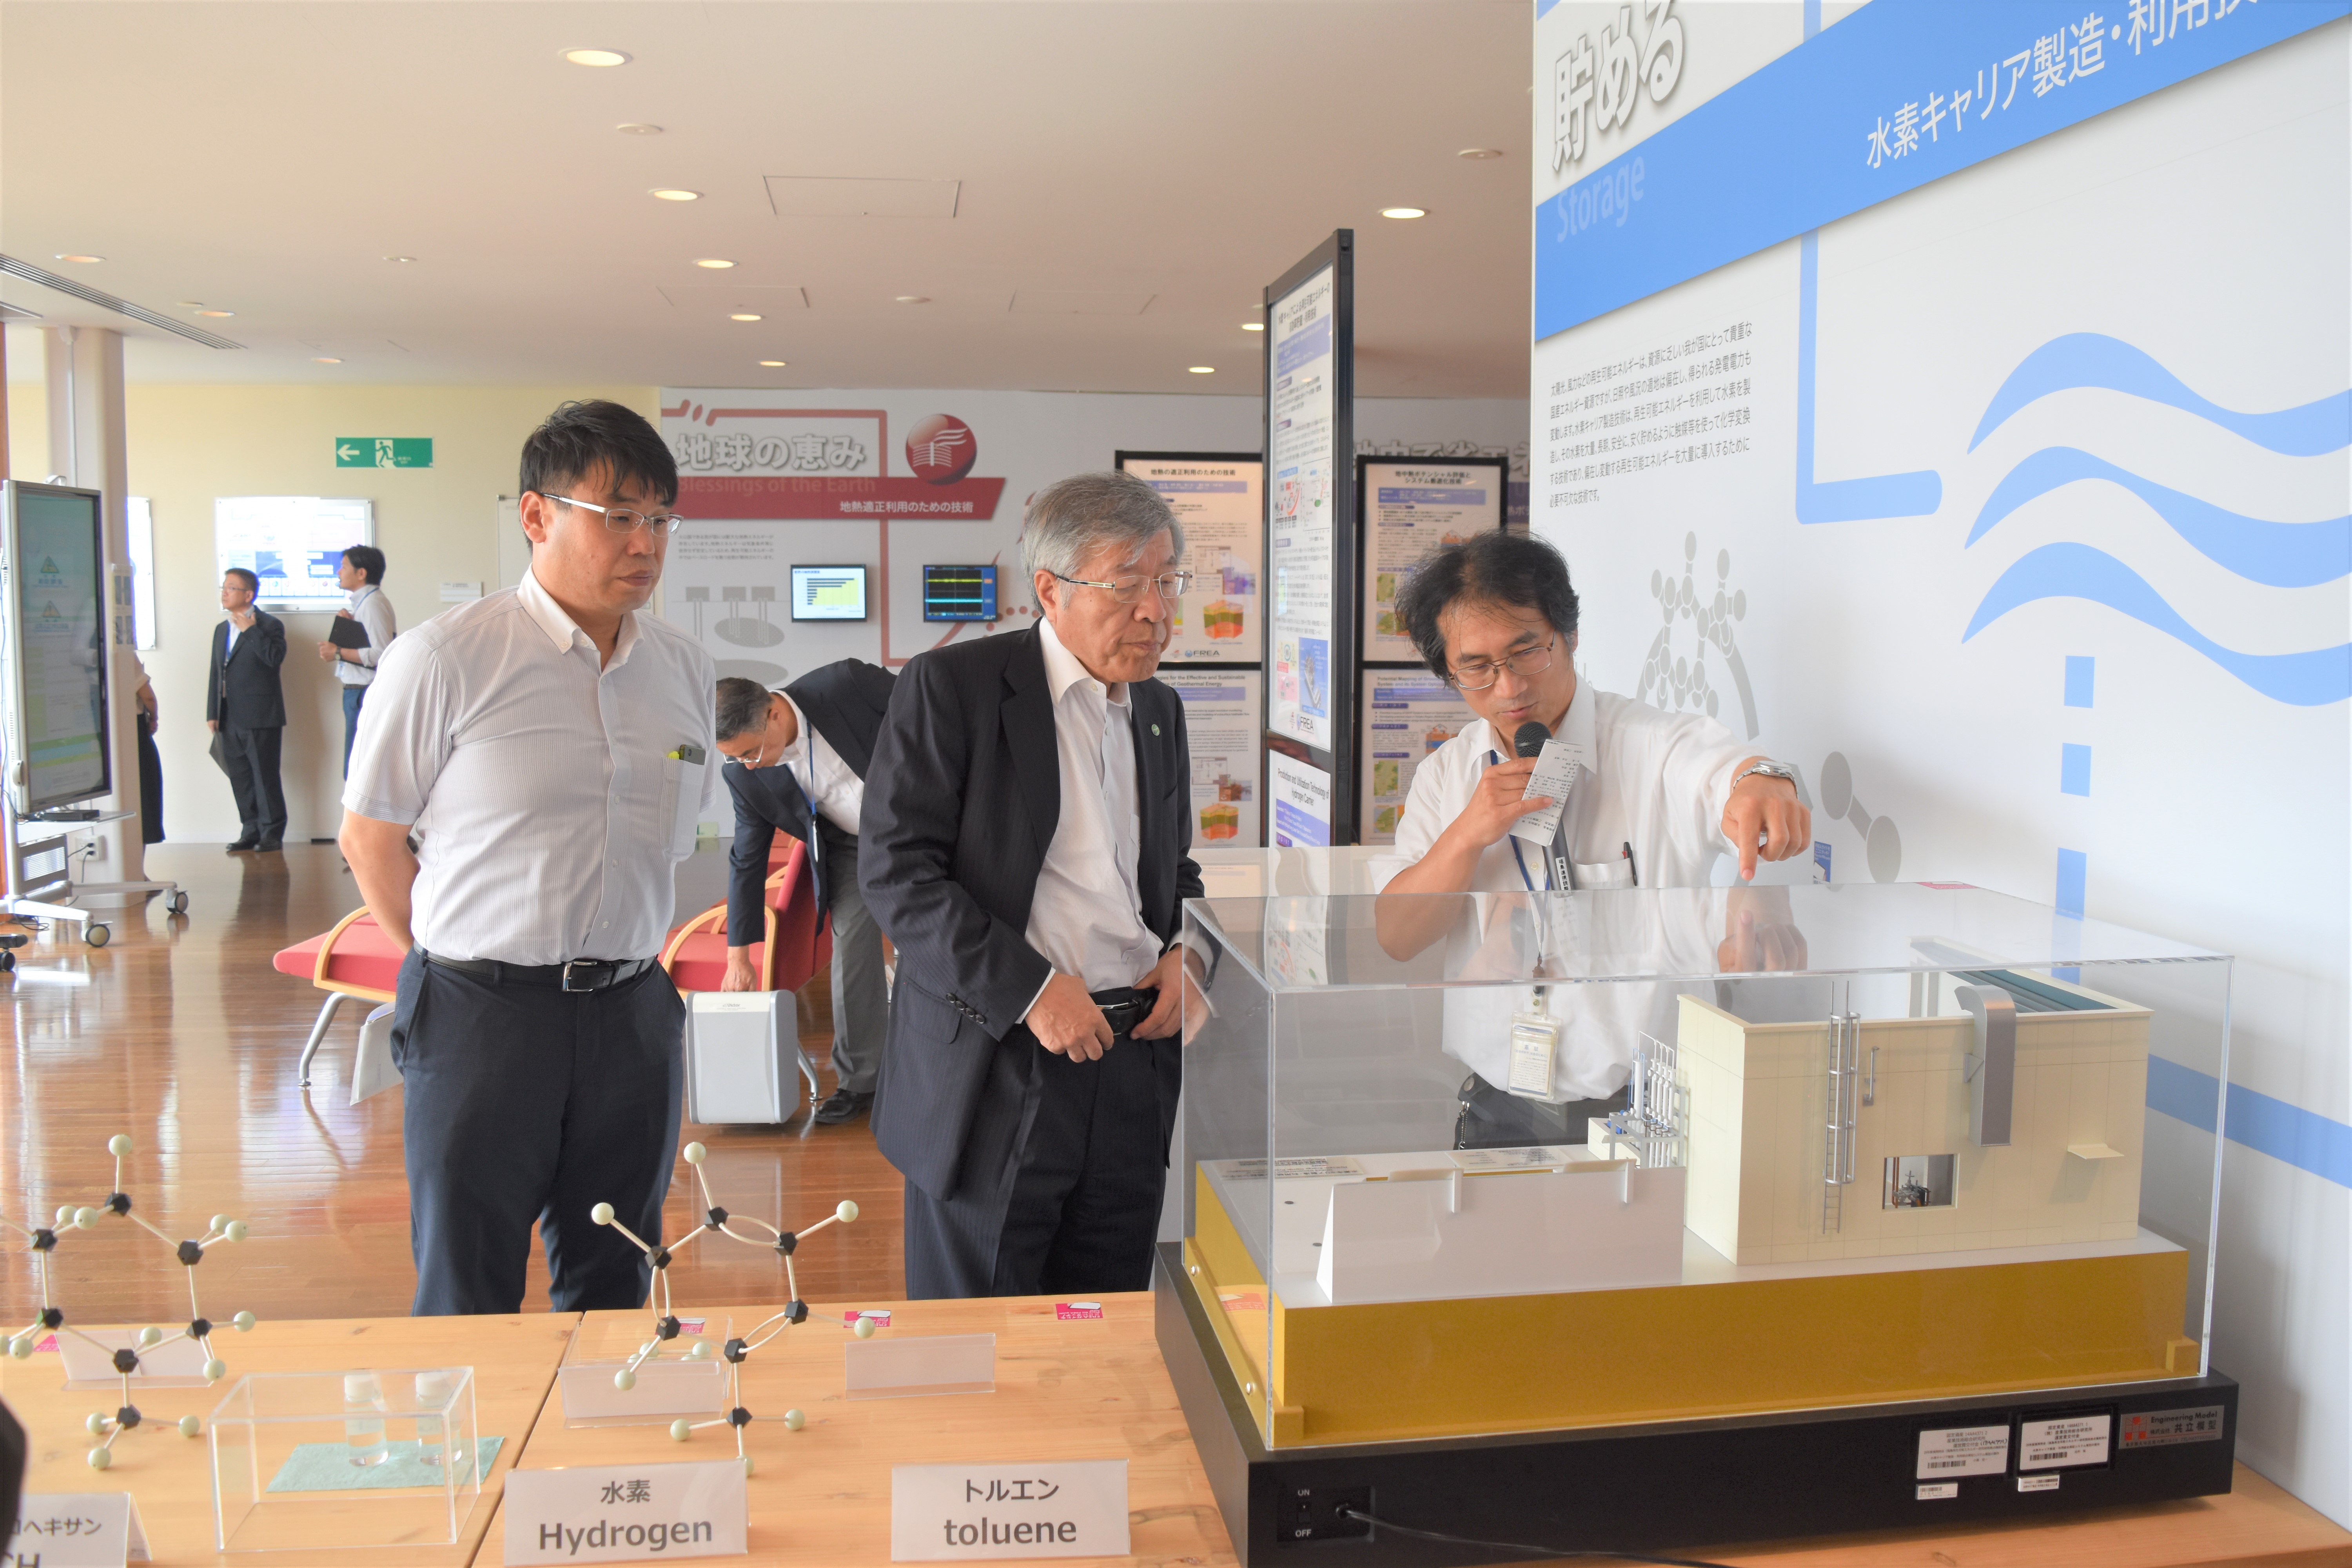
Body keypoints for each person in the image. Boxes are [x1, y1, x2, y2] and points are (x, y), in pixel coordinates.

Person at [339, 399, 718, 1317]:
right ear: (538, 515)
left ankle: (598, 1460)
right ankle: (482, 1462)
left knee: (616, 1272)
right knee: (469, 1276)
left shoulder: (682, 667)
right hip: (483, 1013)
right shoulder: (444, 657)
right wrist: (448, 962)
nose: (646, 543)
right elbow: (371, 836)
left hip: (633, 1012)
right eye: (620, 516)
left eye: (661, 519)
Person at [860, 470, 1205, 1299]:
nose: (1156, 611)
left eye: (1168, 582)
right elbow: (898, 874)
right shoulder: (956, 689)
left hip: (1133, 1056)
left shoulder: (1161, 710)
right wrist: (1032, 989)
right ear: (1050, 589)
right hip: (1002, 1056)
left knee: (1109, 1312)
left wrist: (1188, 952)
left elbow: (1173, 873)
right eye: (1128, 586)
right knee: (981, 1324)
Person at [1371, 531, 1811, 1149]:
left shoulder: (1651, 747)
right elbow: (1397, 936)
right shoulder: (1446, 776)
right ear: (1450, 670)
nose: (1508, 687)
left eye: (1527, 651)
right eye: (1476, 667)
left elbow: (1727, 773)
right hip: (1500, 1109)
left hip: (1651, 1114)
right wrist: (1467, 834)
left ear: (1569, 635)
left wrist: (1765, 782)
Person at [713, 664, 896, 1124]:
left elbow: (938, 718)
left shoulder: (845, 686)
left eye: (752, 751)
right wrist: (739, 956)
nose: (750, 765)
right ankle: (861, 1082)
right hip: (851, 846)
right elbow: (747, 860)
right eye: (736, 758)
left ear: (774, 713)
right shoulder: (744, 776)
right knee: (852, 952)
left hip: (926, 823)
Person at [206, 568, 287, 852]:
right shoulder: (220, 629)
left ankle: (272, 834)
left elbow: (274, 658)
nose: (224, 593)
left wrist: (250, 632)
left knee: (265, 775)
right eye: (224, 588)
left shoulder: (269, 625)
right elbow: (217, 672)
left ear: (248, 595)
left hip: (261, 714)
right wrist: (212, 712)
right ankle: (250, 830)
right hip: (229, 715)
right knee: (240, 776)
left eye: (231, 588)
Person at [318, 544, 396, 776]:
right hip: (358, 691)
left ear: (361, 573)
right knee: (355, 769)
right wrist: (351, 624)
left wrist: (338, 652)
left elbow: (382, 654)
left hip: (364, 692)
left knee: (357, 772)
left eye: (343, 567)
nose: (338, 572)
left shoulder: (373, 604)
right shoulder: (367, 603)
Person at [122, 647, 163, 843]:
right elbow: (148, 697)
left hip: (109, 732)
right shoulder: (124, 656)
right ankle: (138, 868)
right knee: (144, 797)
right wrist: (154, 719)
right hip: (135, 731)